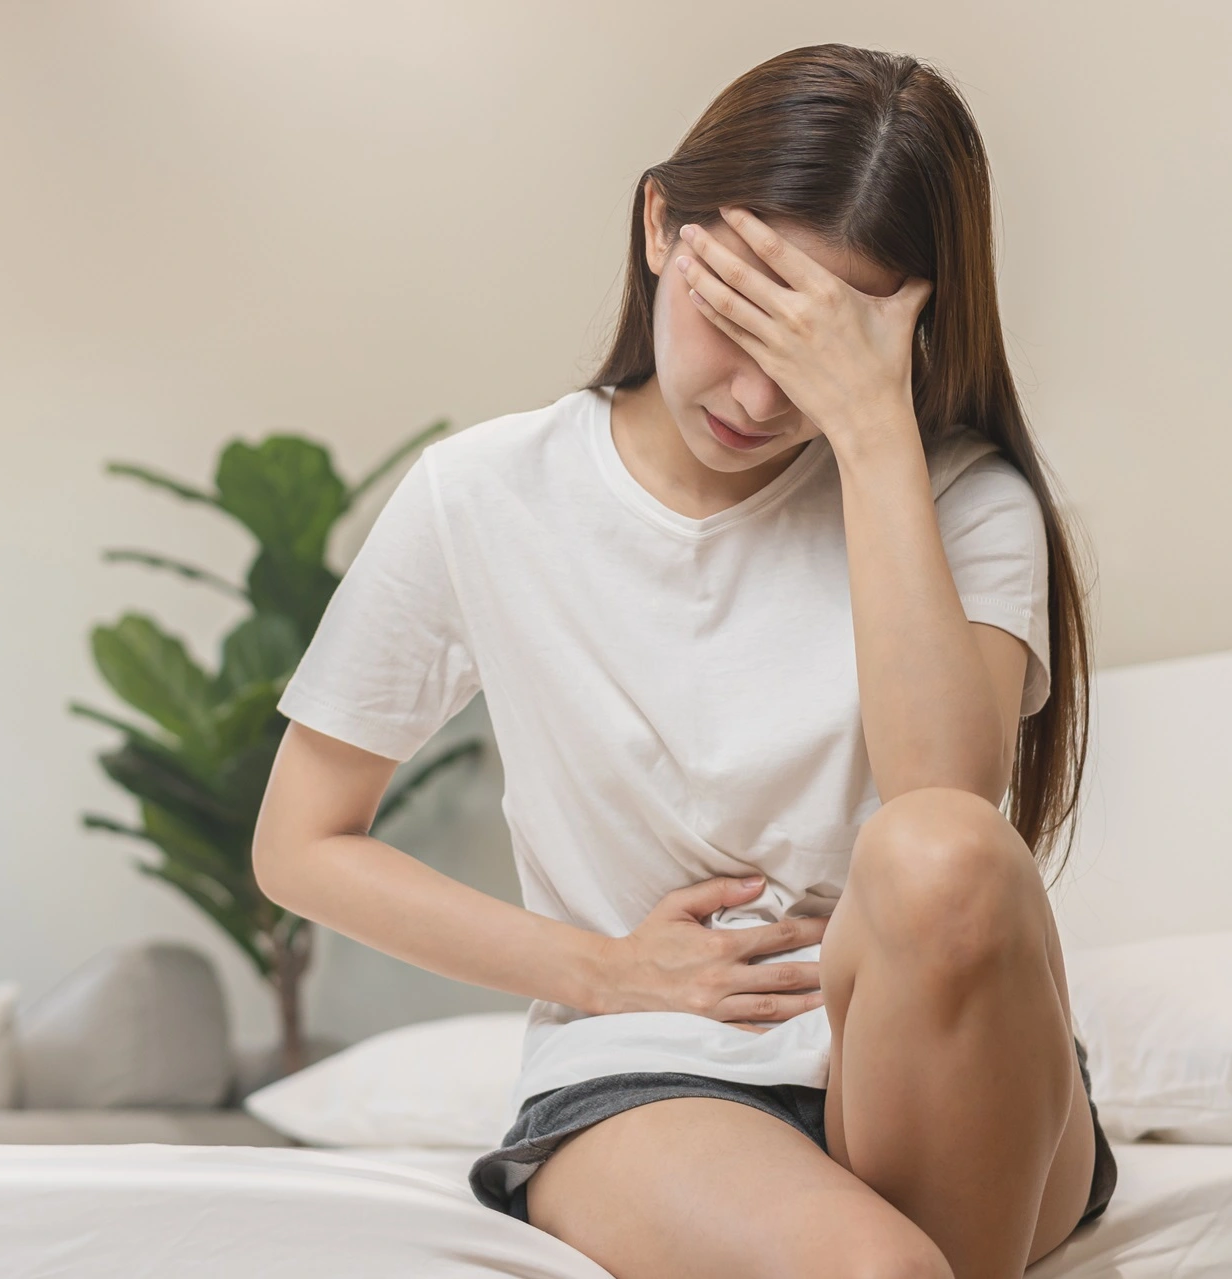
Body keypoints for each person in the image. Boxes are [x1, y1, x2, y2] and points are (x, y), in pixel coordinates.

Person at [252, 41, 1114, 1279]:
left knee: (944, 850)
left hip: (956, 1063)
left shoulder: (963, 502)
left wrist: (874, 432)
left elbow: (943, 802)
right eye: (736, 312)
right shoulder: (484, 495)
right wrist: (601, 967)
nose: (760, 396)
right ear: (662, 224)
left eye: (816, 345)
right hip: (653, 1074)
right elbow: (299, 845)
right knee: (879, 1272)